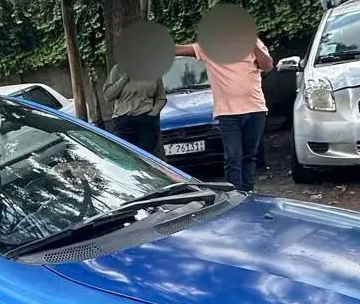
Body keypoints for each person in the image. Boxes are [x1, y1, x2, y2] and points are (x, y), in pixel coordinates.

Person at [175, 33, 273, 192]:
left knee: (249, 156)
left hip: (255, 109)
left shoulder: (253, 43)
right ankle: (234, 195)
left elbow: (267, 65)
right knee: (233, 157)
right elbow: (179, 50)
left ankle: (248, 193)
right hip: (227, 113)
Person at [99, 62, 166, 155]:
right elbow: (108, 96)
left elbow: (161, 98)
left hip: (145, 120)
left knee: (146, 158)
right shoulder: (118, 69)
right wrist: (124, 78)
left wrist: (154, 112)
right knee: (126, 157)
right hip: (123, 120)